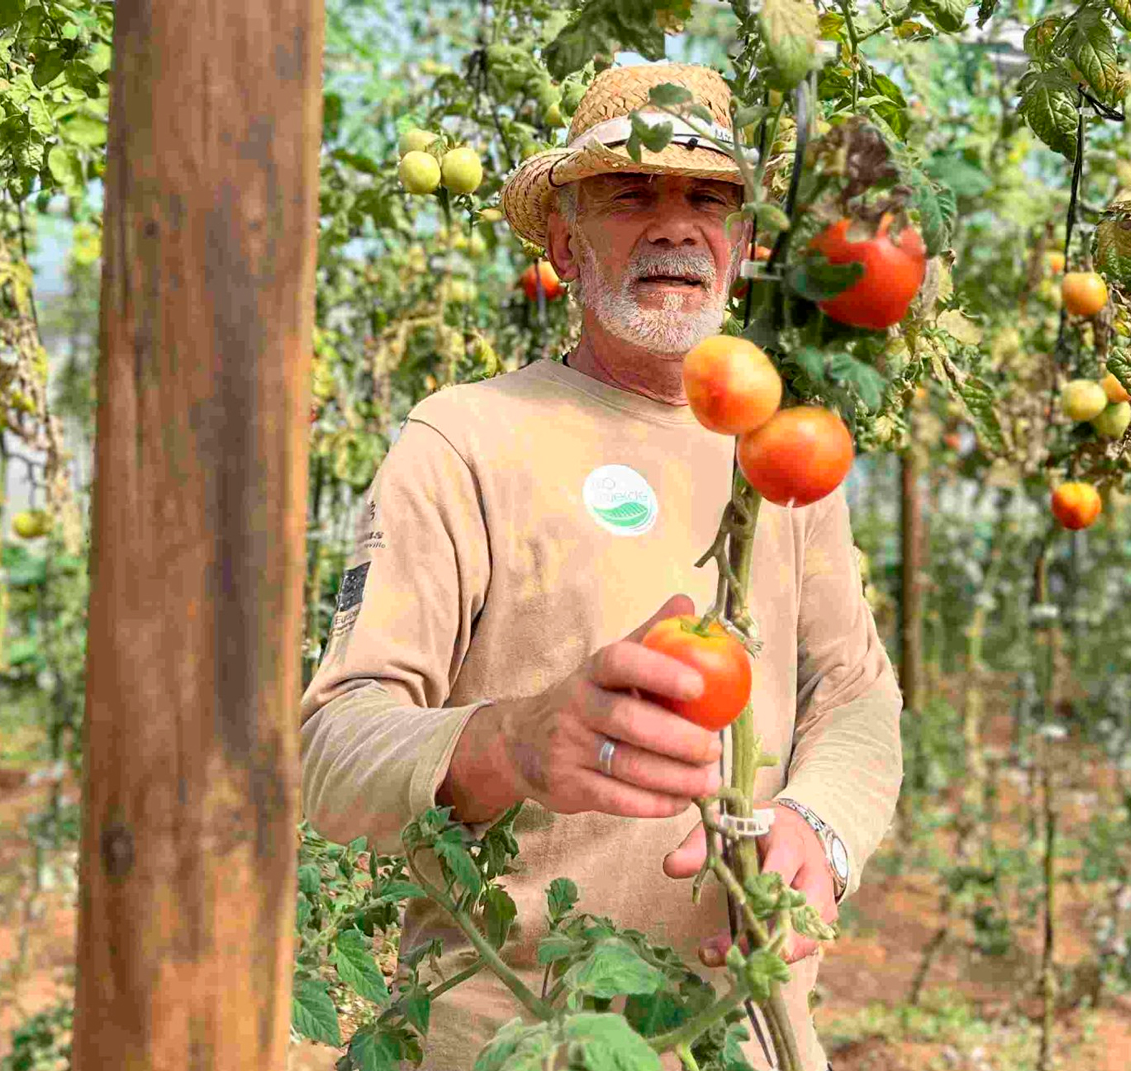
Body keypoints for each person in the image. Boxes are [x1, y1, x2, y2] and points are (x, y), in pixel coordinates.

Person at [299, 61, 904, 1071]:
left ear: (745, 244)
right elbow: (335, 749)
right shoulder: (465, 440)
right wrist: (509, 745)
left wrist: (817, 826)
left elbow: (855, 691)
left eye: (707, 197)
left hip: (744, 1035)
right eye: (632, 194)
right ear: (564, 243)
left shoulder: (787, 451)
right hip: (518, 1035)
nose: (674, 225)